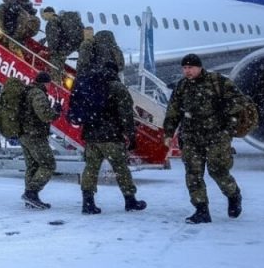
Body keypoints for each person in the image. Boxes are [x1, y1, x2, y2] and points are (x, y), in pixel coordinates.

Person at [162, 54, 245, 224]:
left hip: (217, 136)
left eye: (190, 68)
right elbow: (173, 111)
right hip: (191, 137)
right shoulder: (182, 86)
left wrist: (225, 116)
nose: (187, 71)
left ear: (199, 67)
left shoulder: (218, 82)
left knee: (218, 171)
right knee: (193, 174)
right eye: (184, 68)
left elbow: (239, 102)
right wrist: (169, 133)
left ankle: (233, 195)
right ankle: (201, 210)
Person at [77, 62, 147, 214]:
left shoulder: (92, 85)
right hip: (111, 136)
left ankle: (87, 202)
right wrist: (131, 135)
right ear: (115, 72)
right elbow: (126, 115)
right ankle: (130, 201)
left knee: (90, 169)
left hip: (91, 136)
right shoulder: (117, 87)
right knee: (121, 168)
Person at [20, 72, 62, 209]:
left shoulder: (27, 91)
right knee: (48, 165)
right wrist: (56, 111)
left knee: (32, 166)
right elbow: (44, 115)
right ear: (46, 83)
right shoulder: (38, 94)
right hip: (35, 135)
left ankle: (31, 199)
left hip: (24, 134)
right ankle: (31, 193)